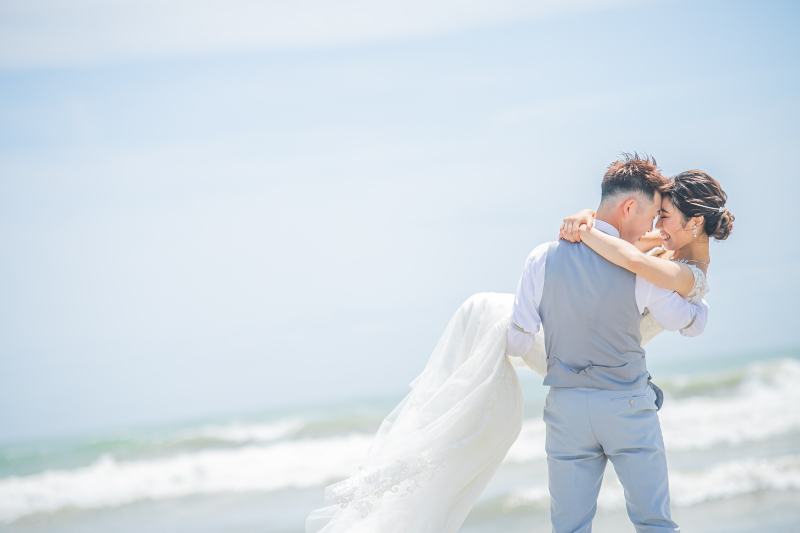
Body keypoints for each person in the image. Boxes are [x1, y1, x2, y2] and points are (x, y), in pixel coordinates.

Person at [305, 155, 725, 533]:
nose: (654, 227)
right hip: (627, 404)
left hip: (566, 410)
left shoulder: (541, 258)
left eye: (664, 218)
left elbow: (520, 339)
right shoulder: (645, 271)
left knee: (570, 528)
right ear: (630, 207)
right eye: (655, 214)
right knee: (653, 523)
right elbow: (686, 321)